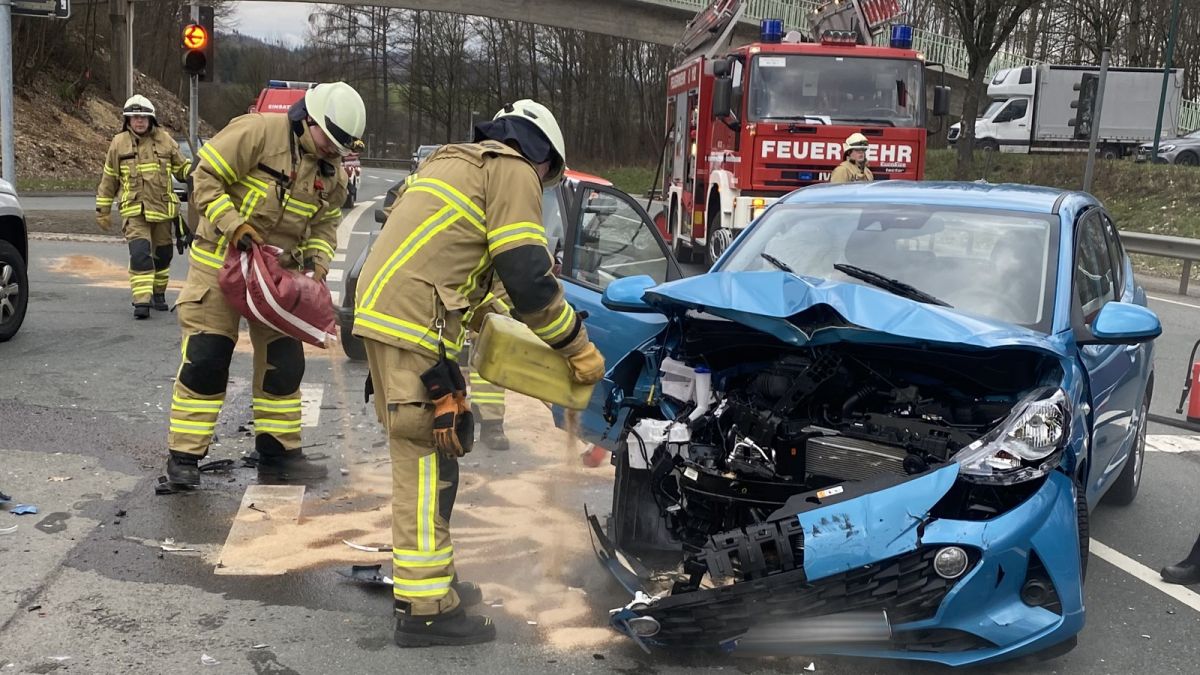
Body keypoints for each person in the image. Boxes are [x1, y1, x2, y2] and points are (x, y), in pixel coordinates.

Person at [353, 99, 604, 647]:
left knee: (439, 454)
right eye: (551, 176)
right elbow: (529, 277)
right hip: (411, 323)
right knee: (424, 462)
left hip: (391, 315)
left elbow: (458, 263)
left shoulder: (457, 162)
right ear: (544, 158)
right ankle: (425, 612)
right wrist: (576, 346)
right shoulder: (514, 170)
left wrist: (489, 314)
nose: (544, 184)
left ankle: (430, 584)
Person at [163, 82, 365, 489]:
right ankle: (183, 456)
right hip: (218, 261)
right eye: (331, 141)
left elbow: (325, 226)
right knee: (207, 358)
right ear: (309, 119)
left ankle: (278, 450)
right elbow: (204, 179)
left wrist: (317, 266)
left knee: (284, 364)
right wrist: (234, 225)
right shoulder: (258, 133)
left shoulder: (333, 171)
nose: (335, 153)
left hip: (277, 277)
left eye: (343, 148)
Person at [95, 95, 192, 318]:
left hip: (163, 211)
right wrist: (103, 209)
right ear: (128, 120)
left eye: (143, 117)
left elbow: (182, 169)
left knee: (163, 255)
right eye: (134, 117)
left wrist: (196, 171)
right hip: (134, 210)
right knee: (140, 254)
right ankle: (141, 300)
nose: (139, 121)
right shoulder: (118, 143)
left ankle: (158, 293)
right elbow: (109, 178)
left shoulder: (166, 140)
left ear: (151, 119)